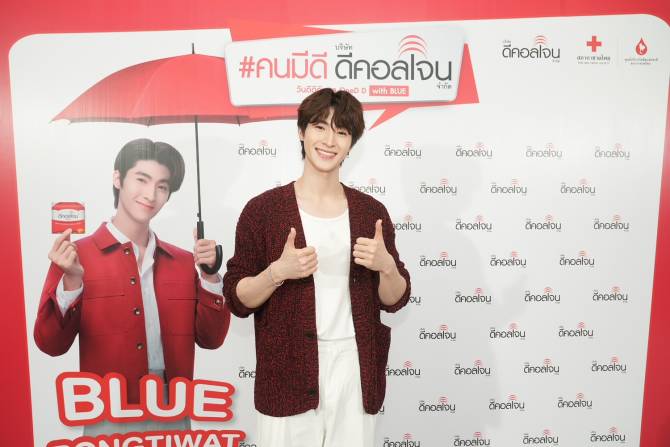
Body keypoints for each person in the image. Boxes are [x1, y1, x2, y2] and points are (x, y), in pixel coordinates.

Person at [223, 88, 411, 447]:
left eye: (341, 132)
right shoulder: (263, 211)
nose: (329, 141)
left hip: (355, 367)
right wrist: (277, 272)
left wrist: (387, 266)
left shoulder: (371, 212)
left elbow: (394, 299)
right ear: (301, 132)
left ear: (351, 144)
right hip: (287, 371)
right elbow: (237, 298)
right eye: (320, 127)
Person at [34, 138, 230, 434]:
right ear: (118, 178)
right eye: (141, 179)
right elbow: (50, 344)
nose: (150, 194)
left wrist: (210, 277)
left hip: (173, 407)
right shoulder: (76, 256)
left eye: (162, 186)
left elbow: (211, 339)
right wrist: (72, 281)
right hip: (107, 410)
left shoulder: (183, 261)